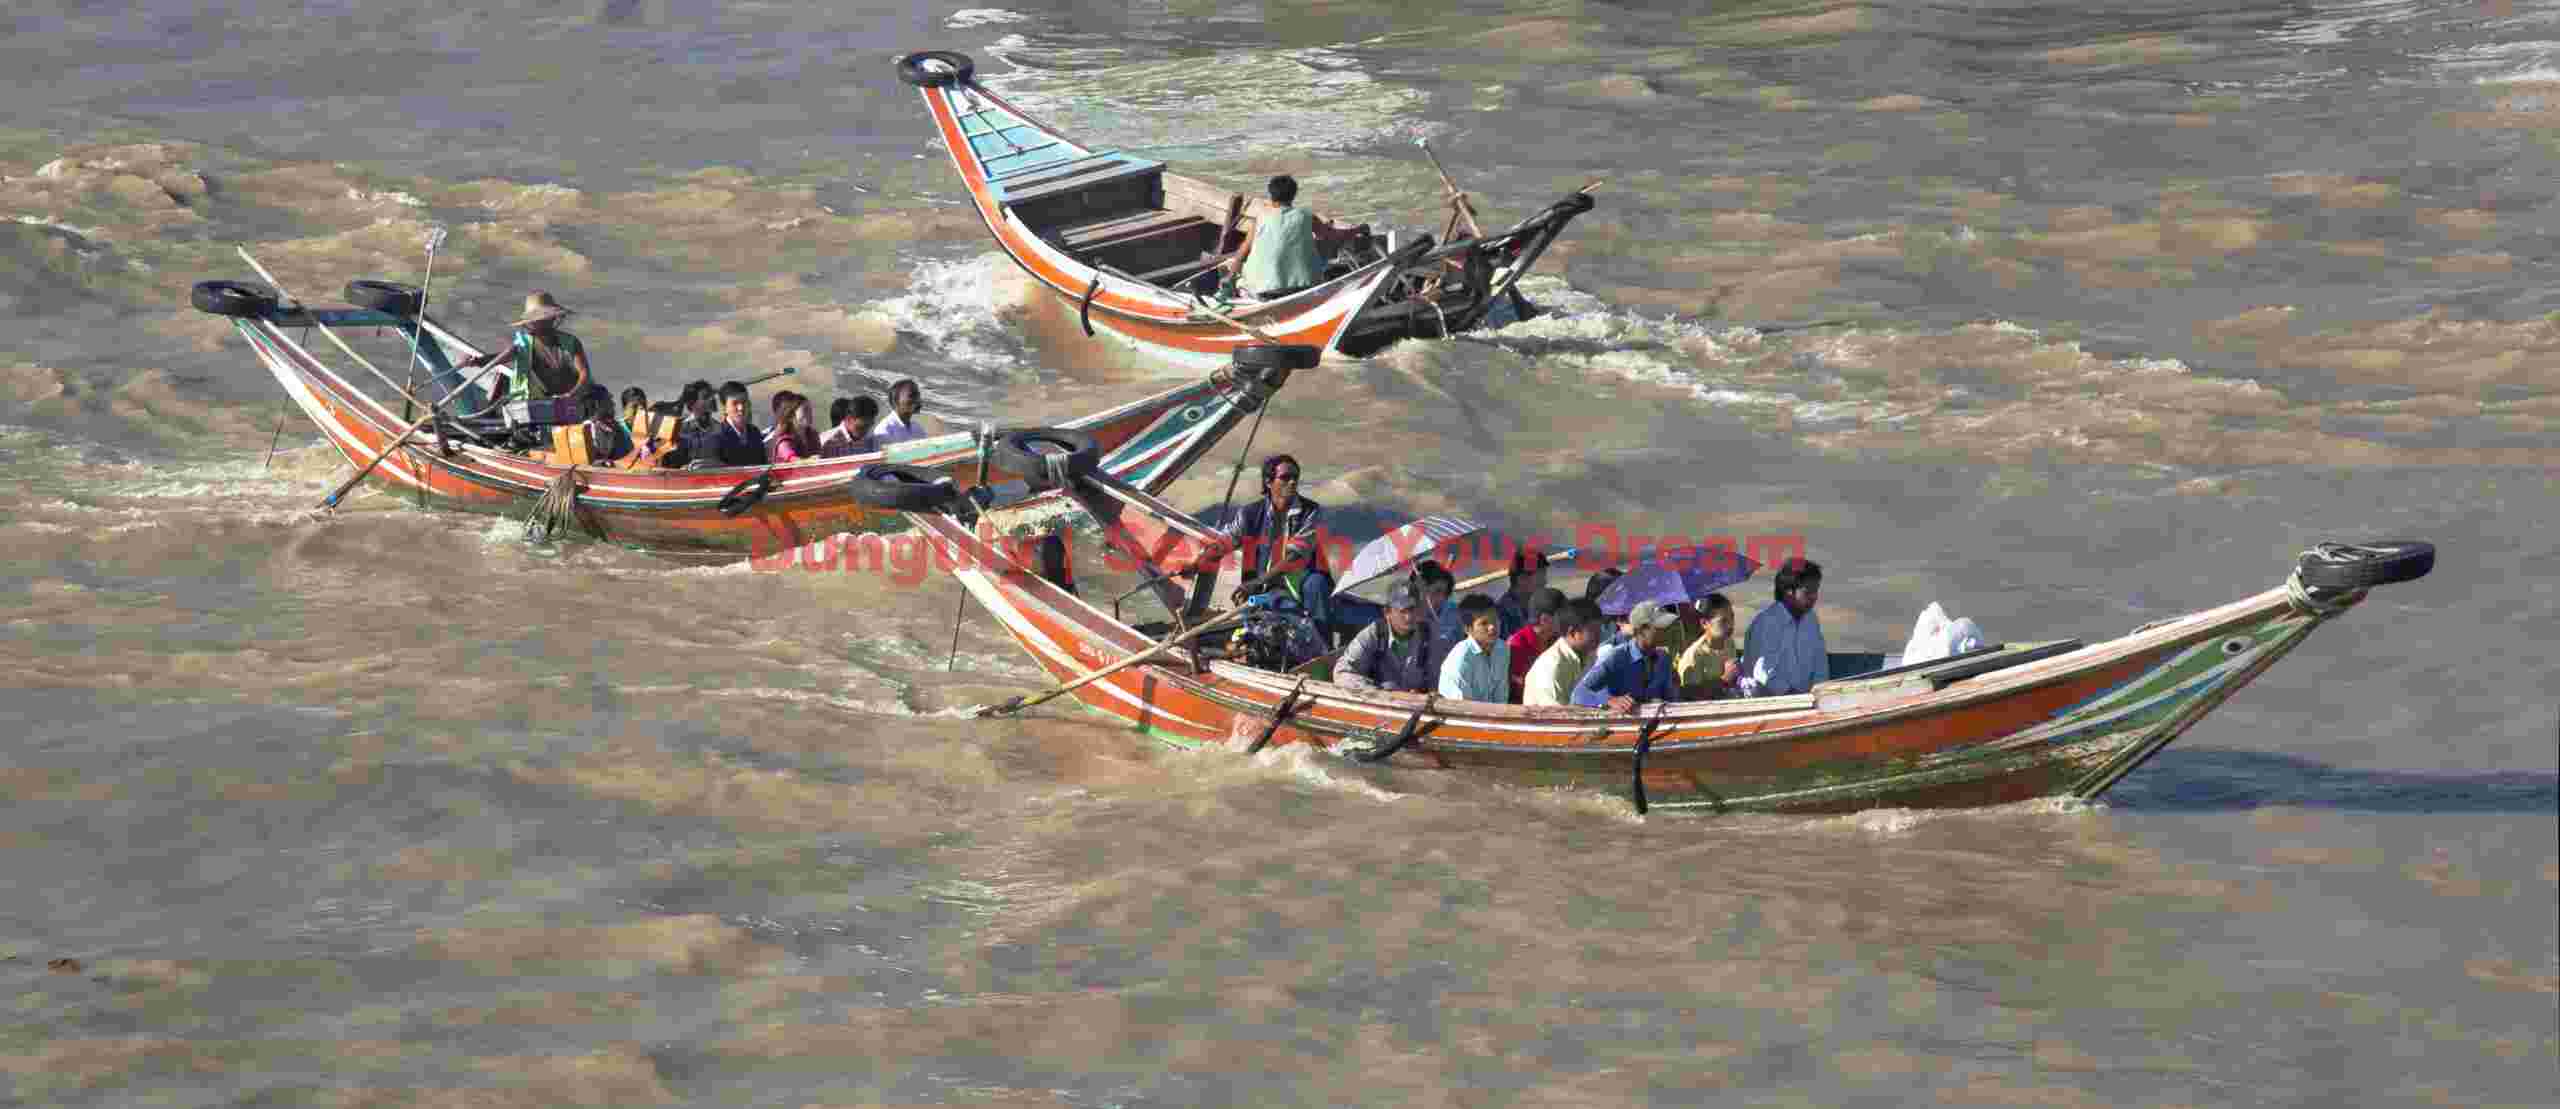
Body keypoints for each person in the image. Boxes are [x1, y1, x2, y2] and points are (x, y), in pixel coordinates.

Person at [1219, 454, 1334, 638]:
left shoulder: (1311, 511)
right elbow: (1225, 541)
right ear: (1268, 482)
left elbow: (1295, 557)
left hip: (1300, 593)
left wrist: (1258, 581)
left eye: (1295, 477)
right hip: (1266, 594)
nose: (1292, 482)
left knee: (1317, 584)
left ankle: (1322, 648)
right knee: (1252, 623)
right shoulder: (1249, 514)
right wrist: (1197, 561)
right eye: (1285, 477)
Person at [463, 290, 592, 402]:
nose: (539, 324)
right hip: (538, 402)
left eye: (544, 319)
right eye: (536, 321)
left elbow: (584, 374)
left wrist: (571, 395)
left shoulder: (570, 342)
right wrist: (478, 361)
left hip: (571, 400)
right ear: (530, 323)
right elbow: (500, 358)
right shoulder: (523, 344)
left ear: (553, 319)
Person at [1223, 174, 1326, 299]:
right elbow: (1327, 236)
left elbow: (1243, 251)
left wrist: (1230, 278)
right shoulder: (1307, 215)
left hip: (1263, 290)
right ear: (1294, 194)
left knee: (1231, 267)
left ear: (1271, 195)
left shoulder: (1261, 216)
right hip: (1307, 285)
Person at [1738, 558, 1829, 697]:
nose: (1814, 597)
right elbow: (1763, 673)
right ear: (1788, 591)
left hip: (1804, 701)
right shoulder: (1766, 622)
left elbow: (1820, 665)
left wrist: (1821, 693)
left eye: (1816, 591)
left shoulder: (1811, 619)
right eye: (1808, 591)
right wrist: (1796, 698)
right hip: (1766, 703)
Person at [1570, 600, 1680, 712]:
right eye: (1660, 627)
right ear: (1642, 630)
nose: (1667, 631)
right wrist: (1609, 700)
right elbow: (1579, 693)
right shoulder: (1616, 657)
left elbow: (1671, 699)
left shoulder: (1664, 659)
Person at [1335, 583, 1436, 693]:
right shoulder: (1374, 634)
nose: (1409, 617)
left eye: (1412, 609)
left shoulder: (1429, 635)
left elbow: (1440, 677)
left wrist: (1425, 693)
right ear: (1387, 612)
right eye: (1402, 611)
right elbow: (1342, 672)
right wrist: (1376, 692)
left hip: (1418, 705)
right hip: (1379, 704)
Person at [1522, 599, 1608, 708]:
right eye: (1594, 631)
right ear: (1572, 632)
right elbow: (1557, 717)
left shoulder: (1590, 655)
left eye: (1600, 629)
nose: (1599, 635)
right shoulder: (1551, 666)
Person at [1437, 594, 1510, 703]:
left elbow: (1501, 698)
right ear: (1468, 629)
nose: (1492, 627)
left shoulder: (1502, 649)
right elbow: (1463, 708)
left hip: (1489, 716)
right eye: (1484, 623)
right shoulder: (1461, 659)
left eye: (1495, 620)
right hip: (1458, 717)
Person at [1674, 592, 1744, 701]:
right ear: (1704, 623)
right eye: (1723, 621)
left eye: (1732, 617)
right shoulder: (1694, 657)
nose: (1731, 625)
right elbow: (1690, 697)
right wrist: (1724, 680)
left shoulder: (1728, 642)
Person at [1504, 587, 1568, 703]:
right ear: (1545, 620)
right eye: (1563, 617)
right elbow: (1518, 687)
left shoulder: (1556, 639)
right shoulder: (1517, 646)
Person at [684, 380, 767, 467]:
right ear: (725, 408)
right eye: (735, 403)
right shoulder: (714, 436)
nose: (741, 408)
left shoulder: (755, 432)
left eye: (744, 402)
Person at [1494, 547, 1550, 639]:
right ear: (1522, 579)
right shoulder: (1500, 617)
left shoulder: (1544, 607)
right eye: (1540, 577)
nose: (1545, 582)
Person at [873, 379, 933, 446]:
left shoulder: (917, 428)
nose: (917, 400)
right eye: (911, 396)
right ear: (895, 401)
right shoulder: (884, 430)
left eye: (918, 396)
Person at [767, 390, 819, 462]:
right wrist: (811, 460)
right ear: (791, 415)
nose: (810, 414)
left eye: (810, 410)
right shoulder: (783, 441)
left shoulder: (812, 435)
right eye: (805, 410)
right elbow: (794, 460)